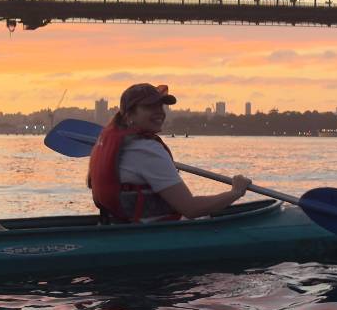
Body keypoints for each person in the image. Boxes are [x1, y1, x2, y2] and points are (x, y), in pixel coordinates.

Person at [88, 82, 250, 223]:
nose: (159, 112)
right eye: (149, 107)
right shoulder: (146, 149)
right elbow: (190, 208)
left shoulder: (109, 141)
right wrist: (235, 192)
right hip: (154, 230)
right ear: (130, 114)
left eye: (160, 106)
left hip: (119, 224)